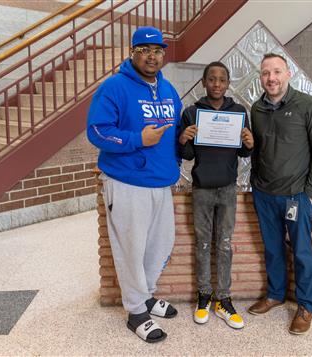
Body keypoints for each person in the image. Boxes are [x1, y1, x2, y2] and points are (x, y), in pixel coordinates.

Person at [86, 26, 182, 344]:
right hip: (126, 182)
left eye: (157, 51)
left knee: (159, 247)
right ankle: (136, 312)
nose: (152, 56)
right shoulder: (114, 87)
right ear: (133, 52)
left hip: (161, 183)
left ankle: (146, 296)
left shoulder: (169, 91)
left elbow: (172, 132)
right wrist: (137, 139)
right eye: (145, 50)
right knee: (132, 249)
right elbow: (97, 131)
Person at [247, 53, 312, 335]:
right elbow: (257, 150)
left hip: (297, 195)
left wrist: (310, 193)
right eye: (265, 73)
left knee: (302, 253)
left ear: (288, 74)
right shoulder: (256, 109)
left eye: (276, 72)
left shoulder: (309, 106)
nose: (270, 78)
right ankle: (275, 294)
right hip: (264, 194)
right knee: (272, 249)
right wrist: (255, 184)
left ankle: (306, 306)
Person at [179, 61, 254, 329]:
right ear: (204, 82)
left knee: (224, 243)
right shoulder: (191, 112)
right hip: (201, 188)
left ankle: (223, 299)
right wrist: (183, 139)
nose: (217, 84)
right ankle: (204, 296)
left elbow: (243, 153)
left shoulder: (239, 112)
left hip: (227, 189)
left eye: (222, 79)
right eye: (212, 79)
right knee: (202, 244)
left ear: (228, 83)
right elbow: (186, 156)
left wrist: (249, 144)